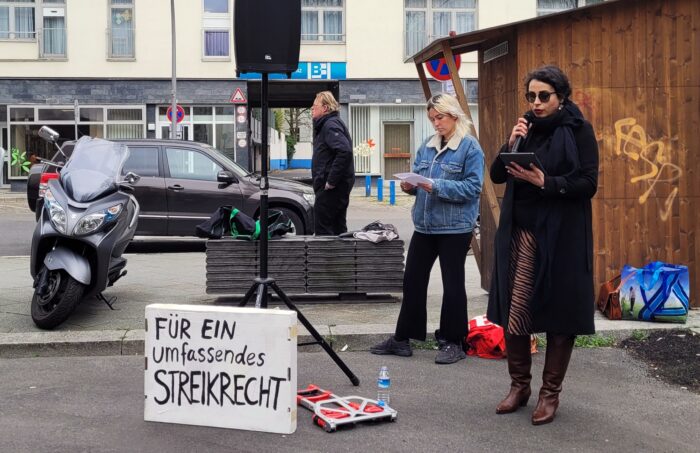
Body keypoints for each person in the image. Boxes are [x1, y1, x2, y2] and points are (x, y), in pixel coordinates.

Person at [486, 65, 599, 425]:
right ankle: (520, 386)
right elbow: (497, 174)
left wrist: (546, 181)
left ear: (561, 97)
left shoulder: (579, 131)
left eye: (543, 96)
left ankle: (550, 394)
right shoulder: (526, 128)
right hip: (522, 232)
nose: (535, 103)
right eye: (531, 96)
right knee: (516, 310)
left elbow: (587, 183)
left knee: (559, 313)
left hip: (562, 236)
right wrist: (510, 142)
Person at [370, 93, 484, 364]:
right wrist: (409, 186)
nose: (435, 123)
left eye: (440, 117)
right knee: (412, 281)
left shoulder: (470, 148)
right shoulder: (427, 146)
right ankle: (402, 339)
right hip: (425, 225)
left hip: (455, 228)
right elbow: (419, 181)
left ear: (454, 115)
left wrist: (435, 185)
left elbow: (473, 188)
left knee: (453, 284)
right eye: (432, 118)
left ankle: (453, 341)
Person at [311, 91, 354, 235]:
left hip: (331, 190)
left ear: (325, 108)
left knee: (324, 230)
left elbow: (344, 151)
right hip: (334, 188)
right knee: (337, 228)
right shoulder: (329, 124)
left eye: (315, 105)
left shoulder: (330, 125)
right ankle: (341, 257)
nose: (312, 108)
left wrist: (331, 181)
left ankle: (327, 257)